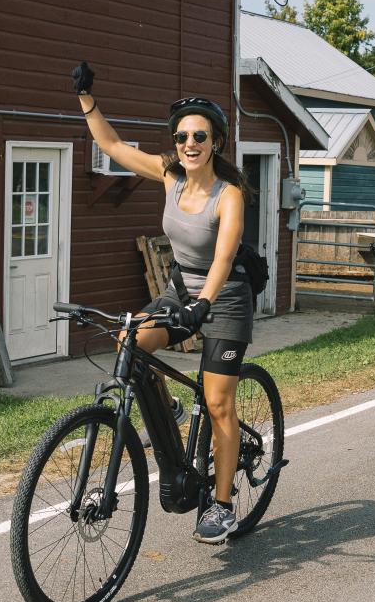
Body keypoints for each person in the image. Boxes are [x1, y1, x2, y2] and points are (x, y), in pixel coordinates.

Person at [71, 61, 254, 543]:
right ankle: (169, 408)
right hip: (179, 289)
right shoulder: (170, 176)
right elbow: (110, 145)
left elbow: (223, 257)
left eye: (199, 135)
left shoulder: (228, 195)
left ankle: (222, 505)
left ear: (215, 141)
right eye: (181, 137)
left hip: (226, 297)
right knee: (129, 343)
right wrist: (87, 99)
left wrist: (205, 304)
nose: (189, 144)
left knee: (217, 405)